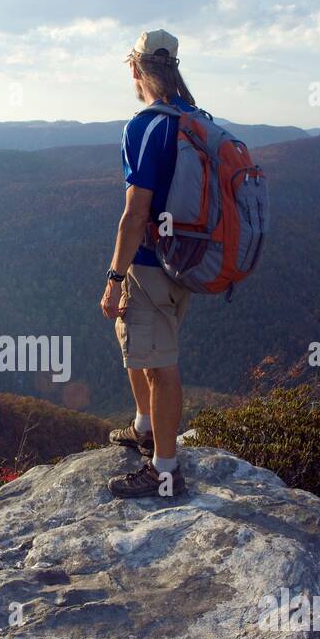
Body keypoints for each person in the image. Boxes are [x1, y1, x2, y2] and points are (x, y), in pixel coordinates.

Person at [99, 29, 196, 498]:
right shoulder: (193, 120)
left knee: (160, 363)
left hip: (150, 263)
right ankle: (144, 428)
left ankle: (165, 470)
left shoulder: (145, 124)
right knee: (136, 340)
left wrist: (114, 277)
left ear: (136, 69)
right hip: (186, 261)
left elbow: (135, 213)